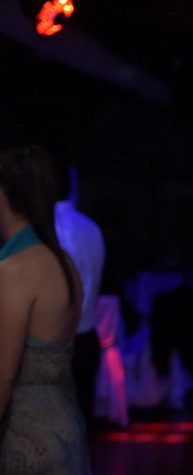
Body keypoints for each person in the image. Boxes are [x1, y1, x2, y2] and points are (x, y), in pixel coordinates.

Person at [0, 146, 112, 475]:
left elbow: (2, 376)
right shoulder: (60, 259)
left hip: (25, 435)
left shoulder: (17, 268)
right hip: (62, 425)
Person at [53, 156, 106, 426]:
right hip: (87, 338)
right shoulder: (91, 227)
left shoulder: (52, 229)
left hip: (61, 341)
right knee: (80, 425)